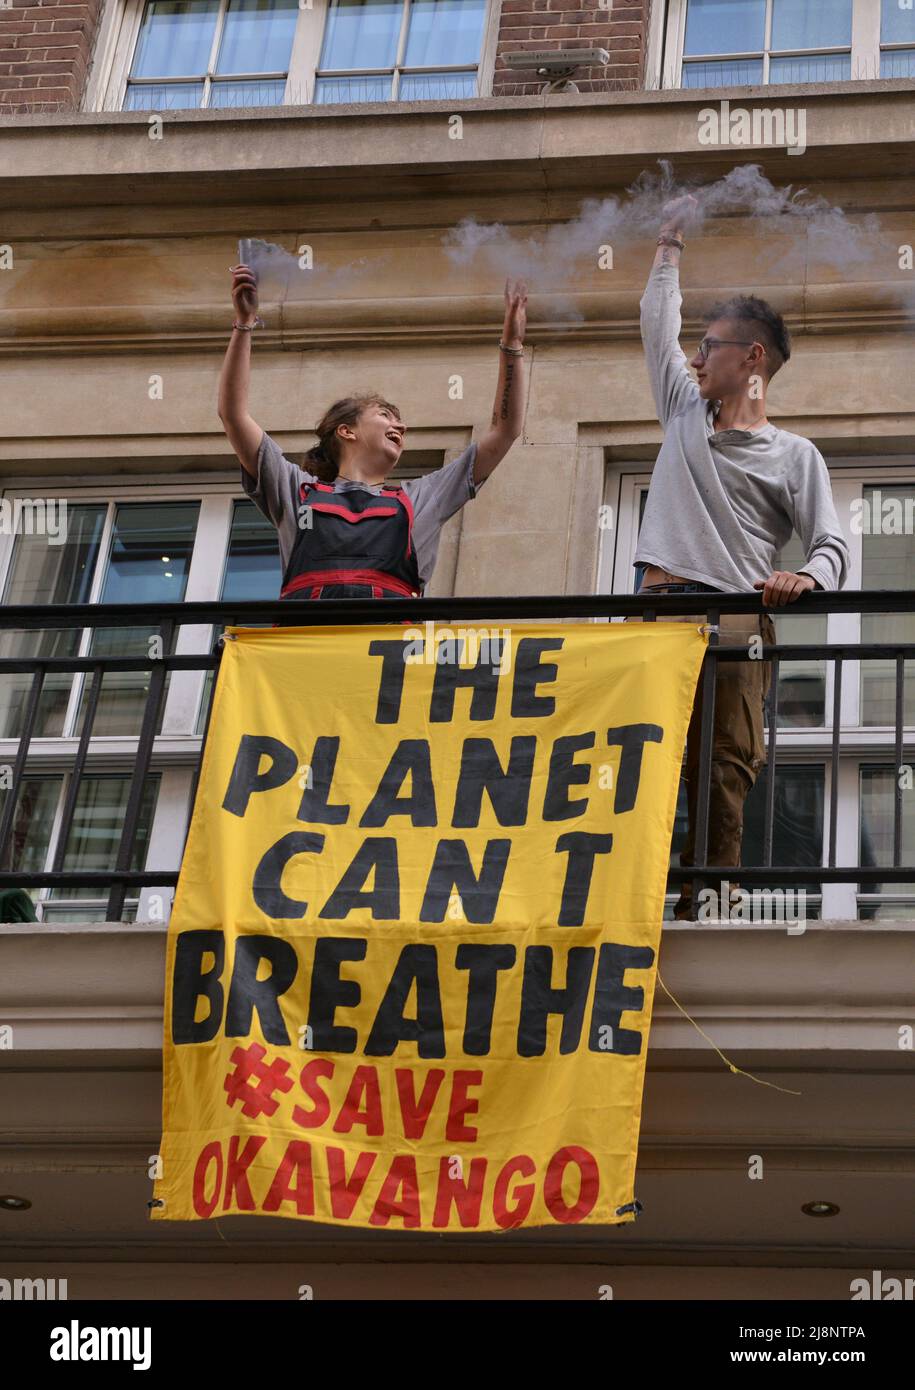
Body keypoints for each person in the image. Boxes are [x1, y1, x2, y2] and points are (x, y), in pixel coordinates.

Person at [635, 194, 849, 920]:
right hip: (659, 608)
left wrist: (807, 576)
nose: (693, 357)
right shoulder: (682, 411)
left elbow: (831, 543)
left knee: (722, 765)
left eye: (710, 346)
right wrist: (668, 242)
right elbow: (654, 328)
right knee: (640, 758)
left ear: (751, 358)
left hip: (733, 617)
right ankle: (634, 897)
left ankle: (712, 902)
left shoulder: (794, 455)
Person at [218, 263, 527, 601]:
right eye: (386, 415)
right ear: (346, 431)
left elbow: (505, 431)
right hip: (307, 650)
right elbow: (233, 416)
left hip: (385, 651)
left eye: (400, 421)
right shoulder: (296, 491)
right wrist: (244, 324)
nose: (401, 426)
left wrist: (511, 347)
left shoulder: (421, 499)